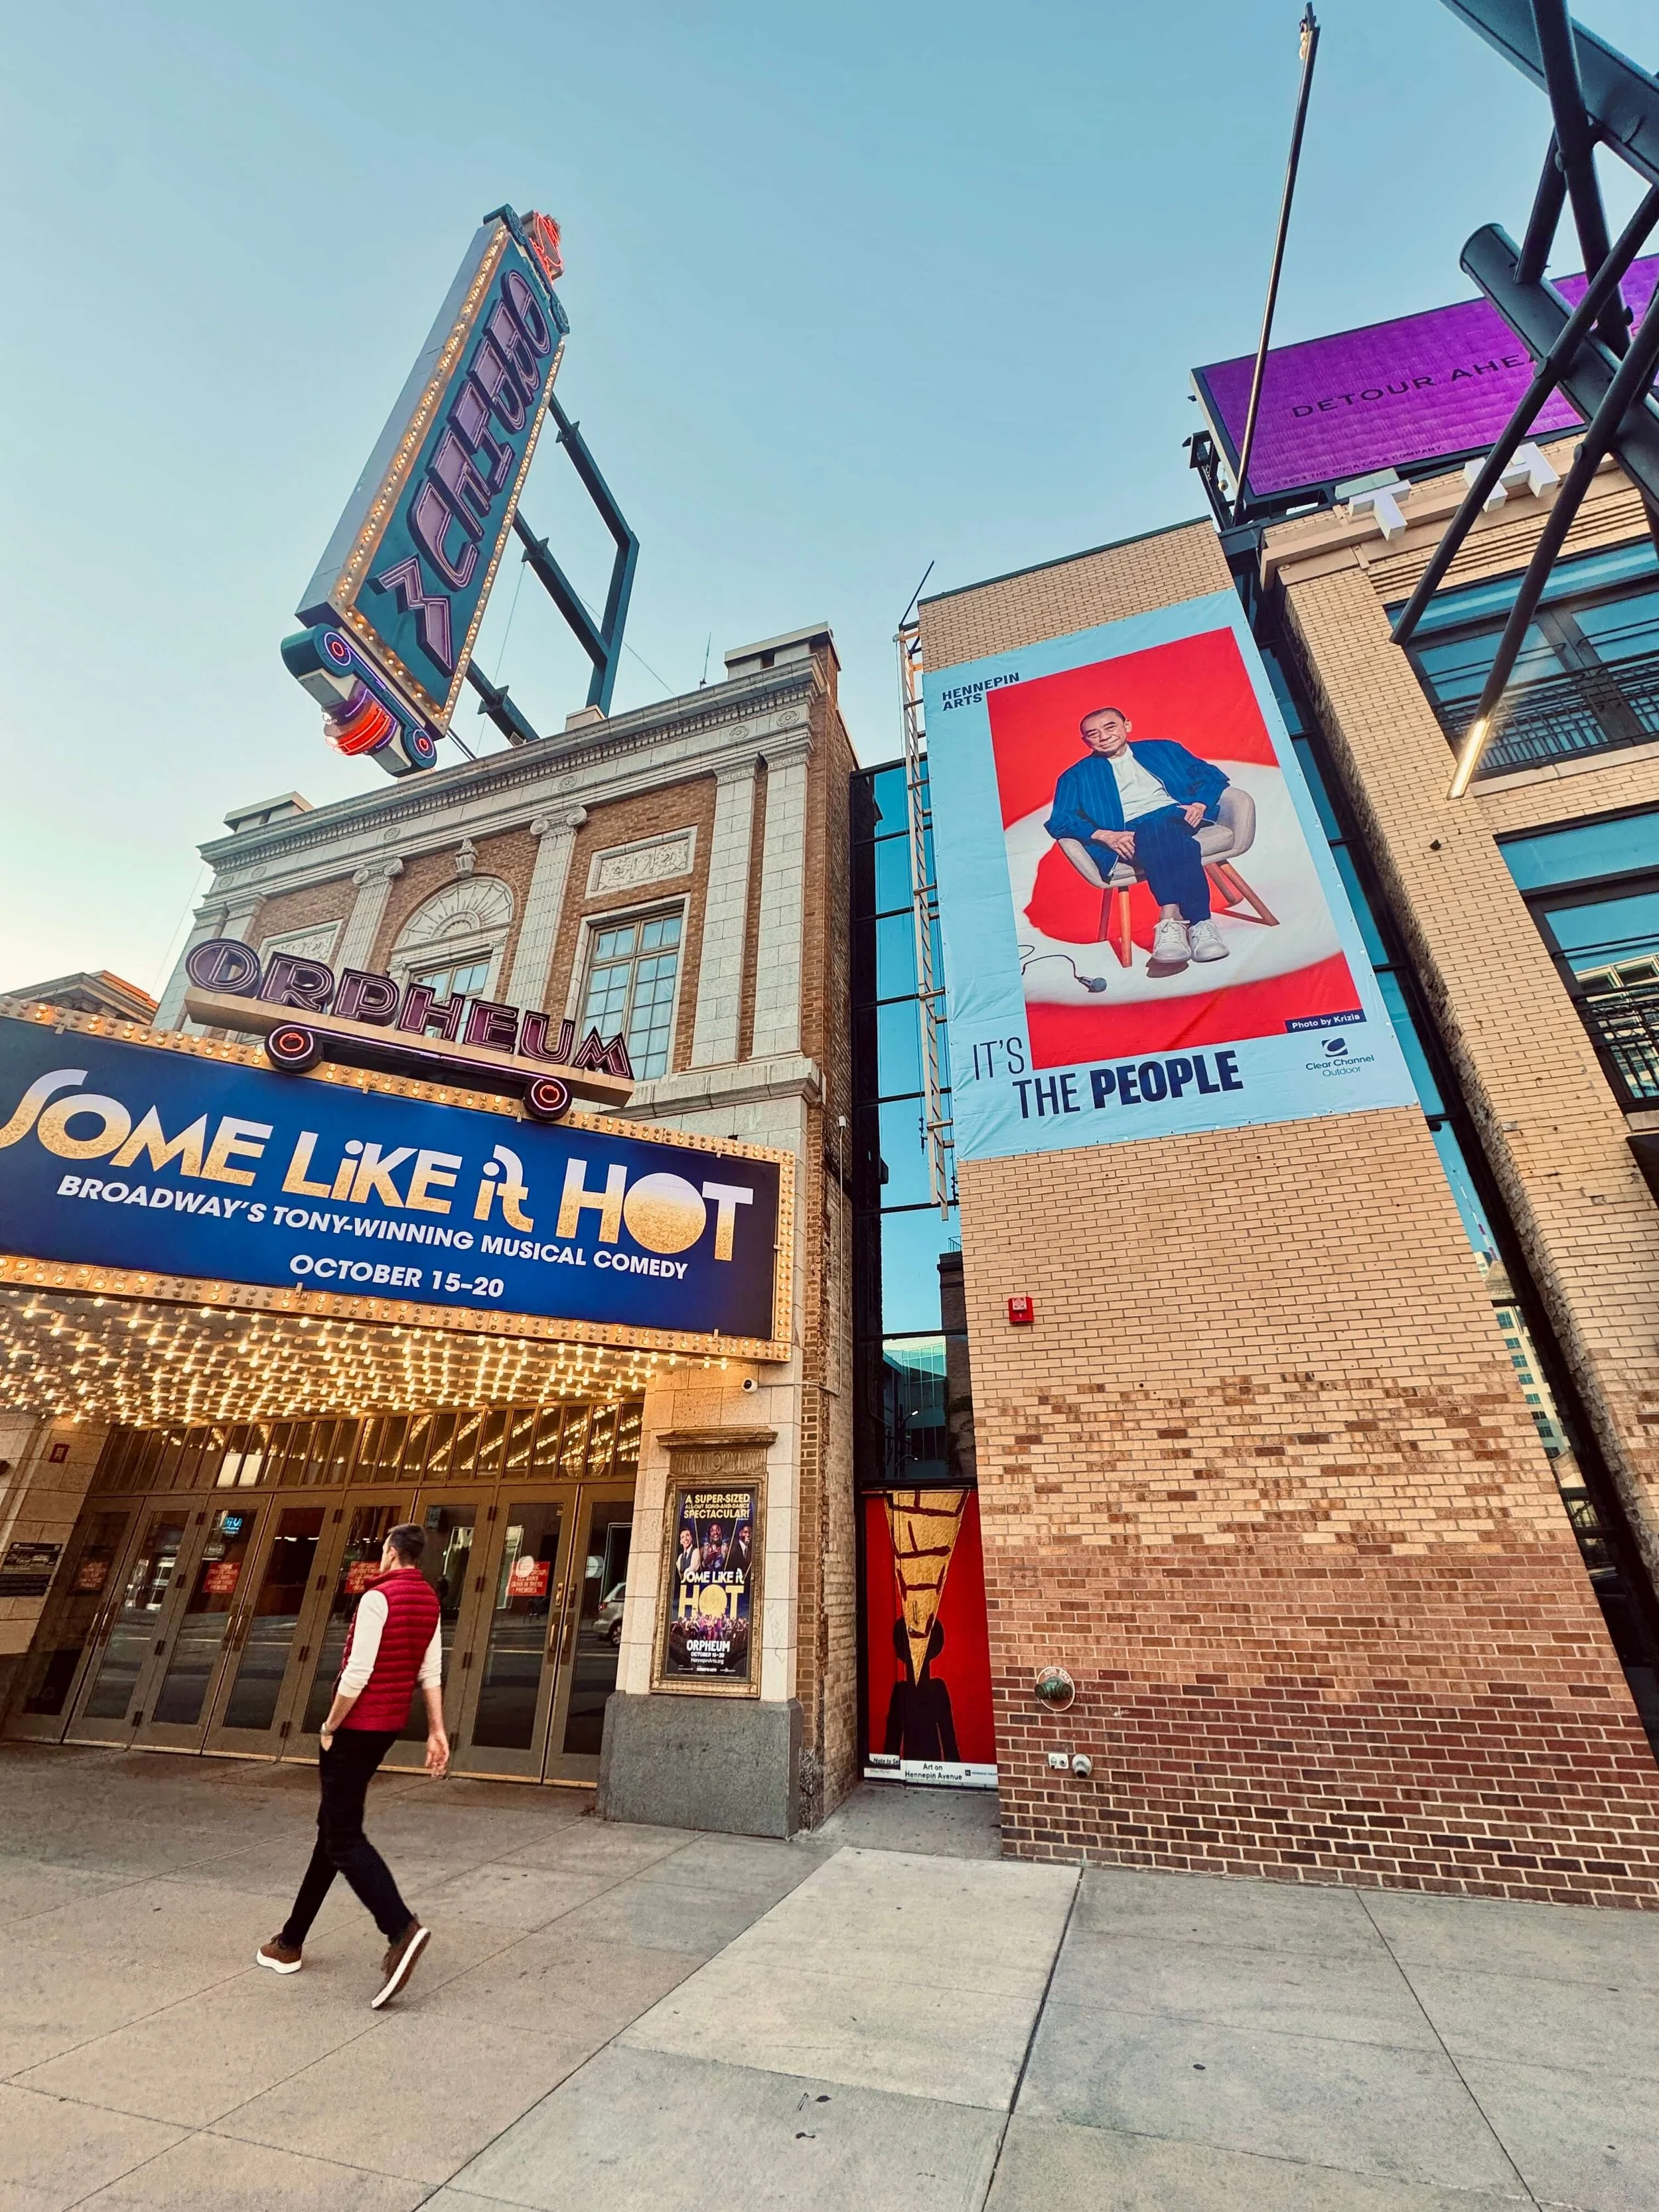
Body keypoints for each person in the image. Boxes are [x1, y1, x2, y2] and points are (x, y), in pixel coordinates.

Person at [258, 1522, 447, 2008]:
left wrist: (329, 1723)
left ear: (390, 1552)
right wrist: (436, 1729)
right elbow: (430, 1671)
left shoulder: (376, 1598)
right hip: (386, 1728)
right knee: (332, 1828)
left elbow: (357, 1671)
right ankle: (290, 1941)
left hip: (356, 1726)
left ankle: (400, 1928)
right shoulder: (429, 1600)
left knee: (343, 1835)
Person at [1045, 705, 1232, 975]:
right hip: (1125, 833)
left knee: (1162, 826)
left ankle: (1170, 919)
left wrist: (1201, 804)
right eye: (1093, 734)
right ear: (1085, 741)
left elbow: (1211, 776)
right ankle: (1201, 924)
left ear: (1127, 726)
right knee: (1167, 837)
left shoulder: (1164, 749)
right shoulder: (1075, 775)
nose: (1104, 736)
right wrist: (1104, 835)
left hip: (1175, 814)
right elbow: (1061, 820)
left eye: (1110, 727)